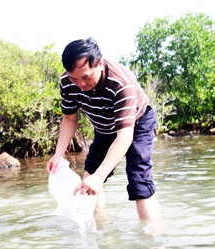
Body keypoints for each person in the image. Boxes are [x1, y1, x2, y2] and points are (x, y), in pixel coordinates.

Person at [46, 38, 161, 220]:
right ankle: (101, 235)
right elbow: (69, 118)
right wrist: (58, 155)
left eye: (86, 77)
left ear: (99, 63)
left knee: (139, 179)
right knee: (88, 180)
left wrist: (100, 177)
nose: (81, 85)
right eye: (74, 78)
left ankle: (151, 239)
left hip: (137, 124)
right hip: (104, 128)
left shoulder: (121, 83)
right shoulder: (68, 82)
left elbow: (124, 136)